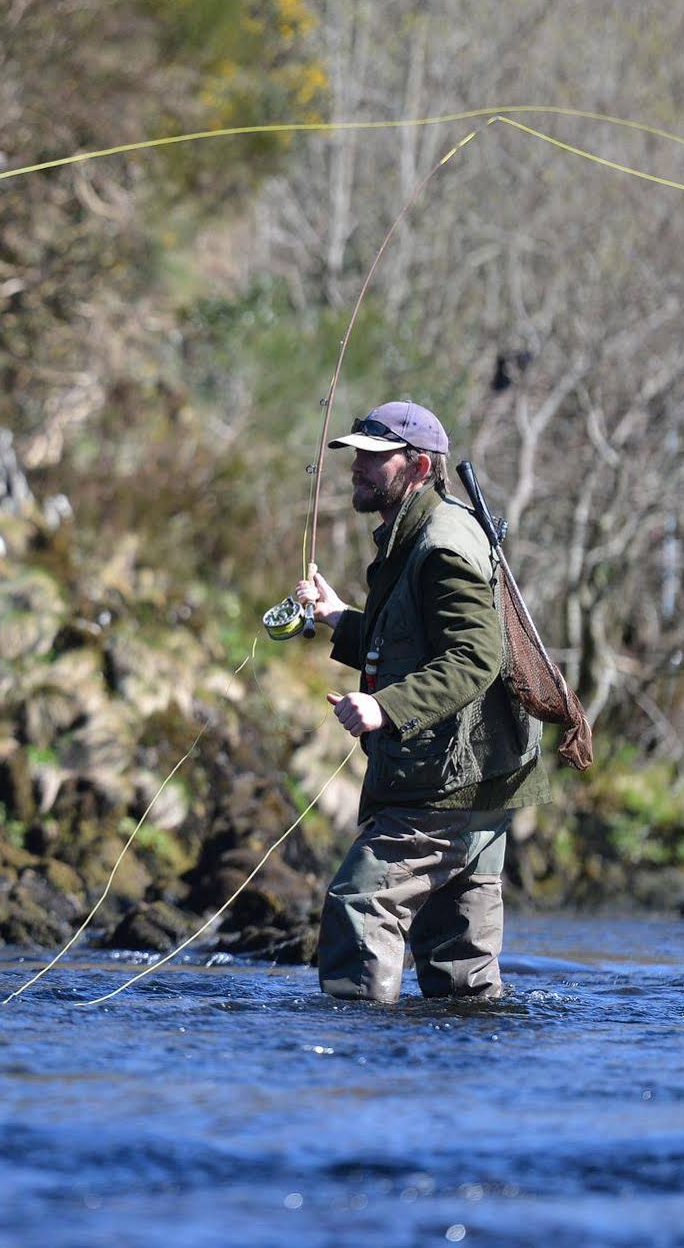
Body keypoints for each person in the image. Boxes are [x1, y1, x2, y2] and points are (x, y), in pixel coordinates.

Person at [293, 400, 546, 1002]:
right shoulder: (415, 536)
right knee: (460, 970)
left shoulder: (439, 546)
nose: (359, 467)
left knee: (359, 907)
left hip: (444, 784)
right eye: (357, 455)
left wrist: (386, 708)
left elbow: (474, 658)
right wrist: (337, 620)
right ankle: (452, 1081)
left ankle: (356, 1053)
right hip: (476, 778)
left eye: (376, 458)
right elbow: (410, 642)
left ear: (420, 466)